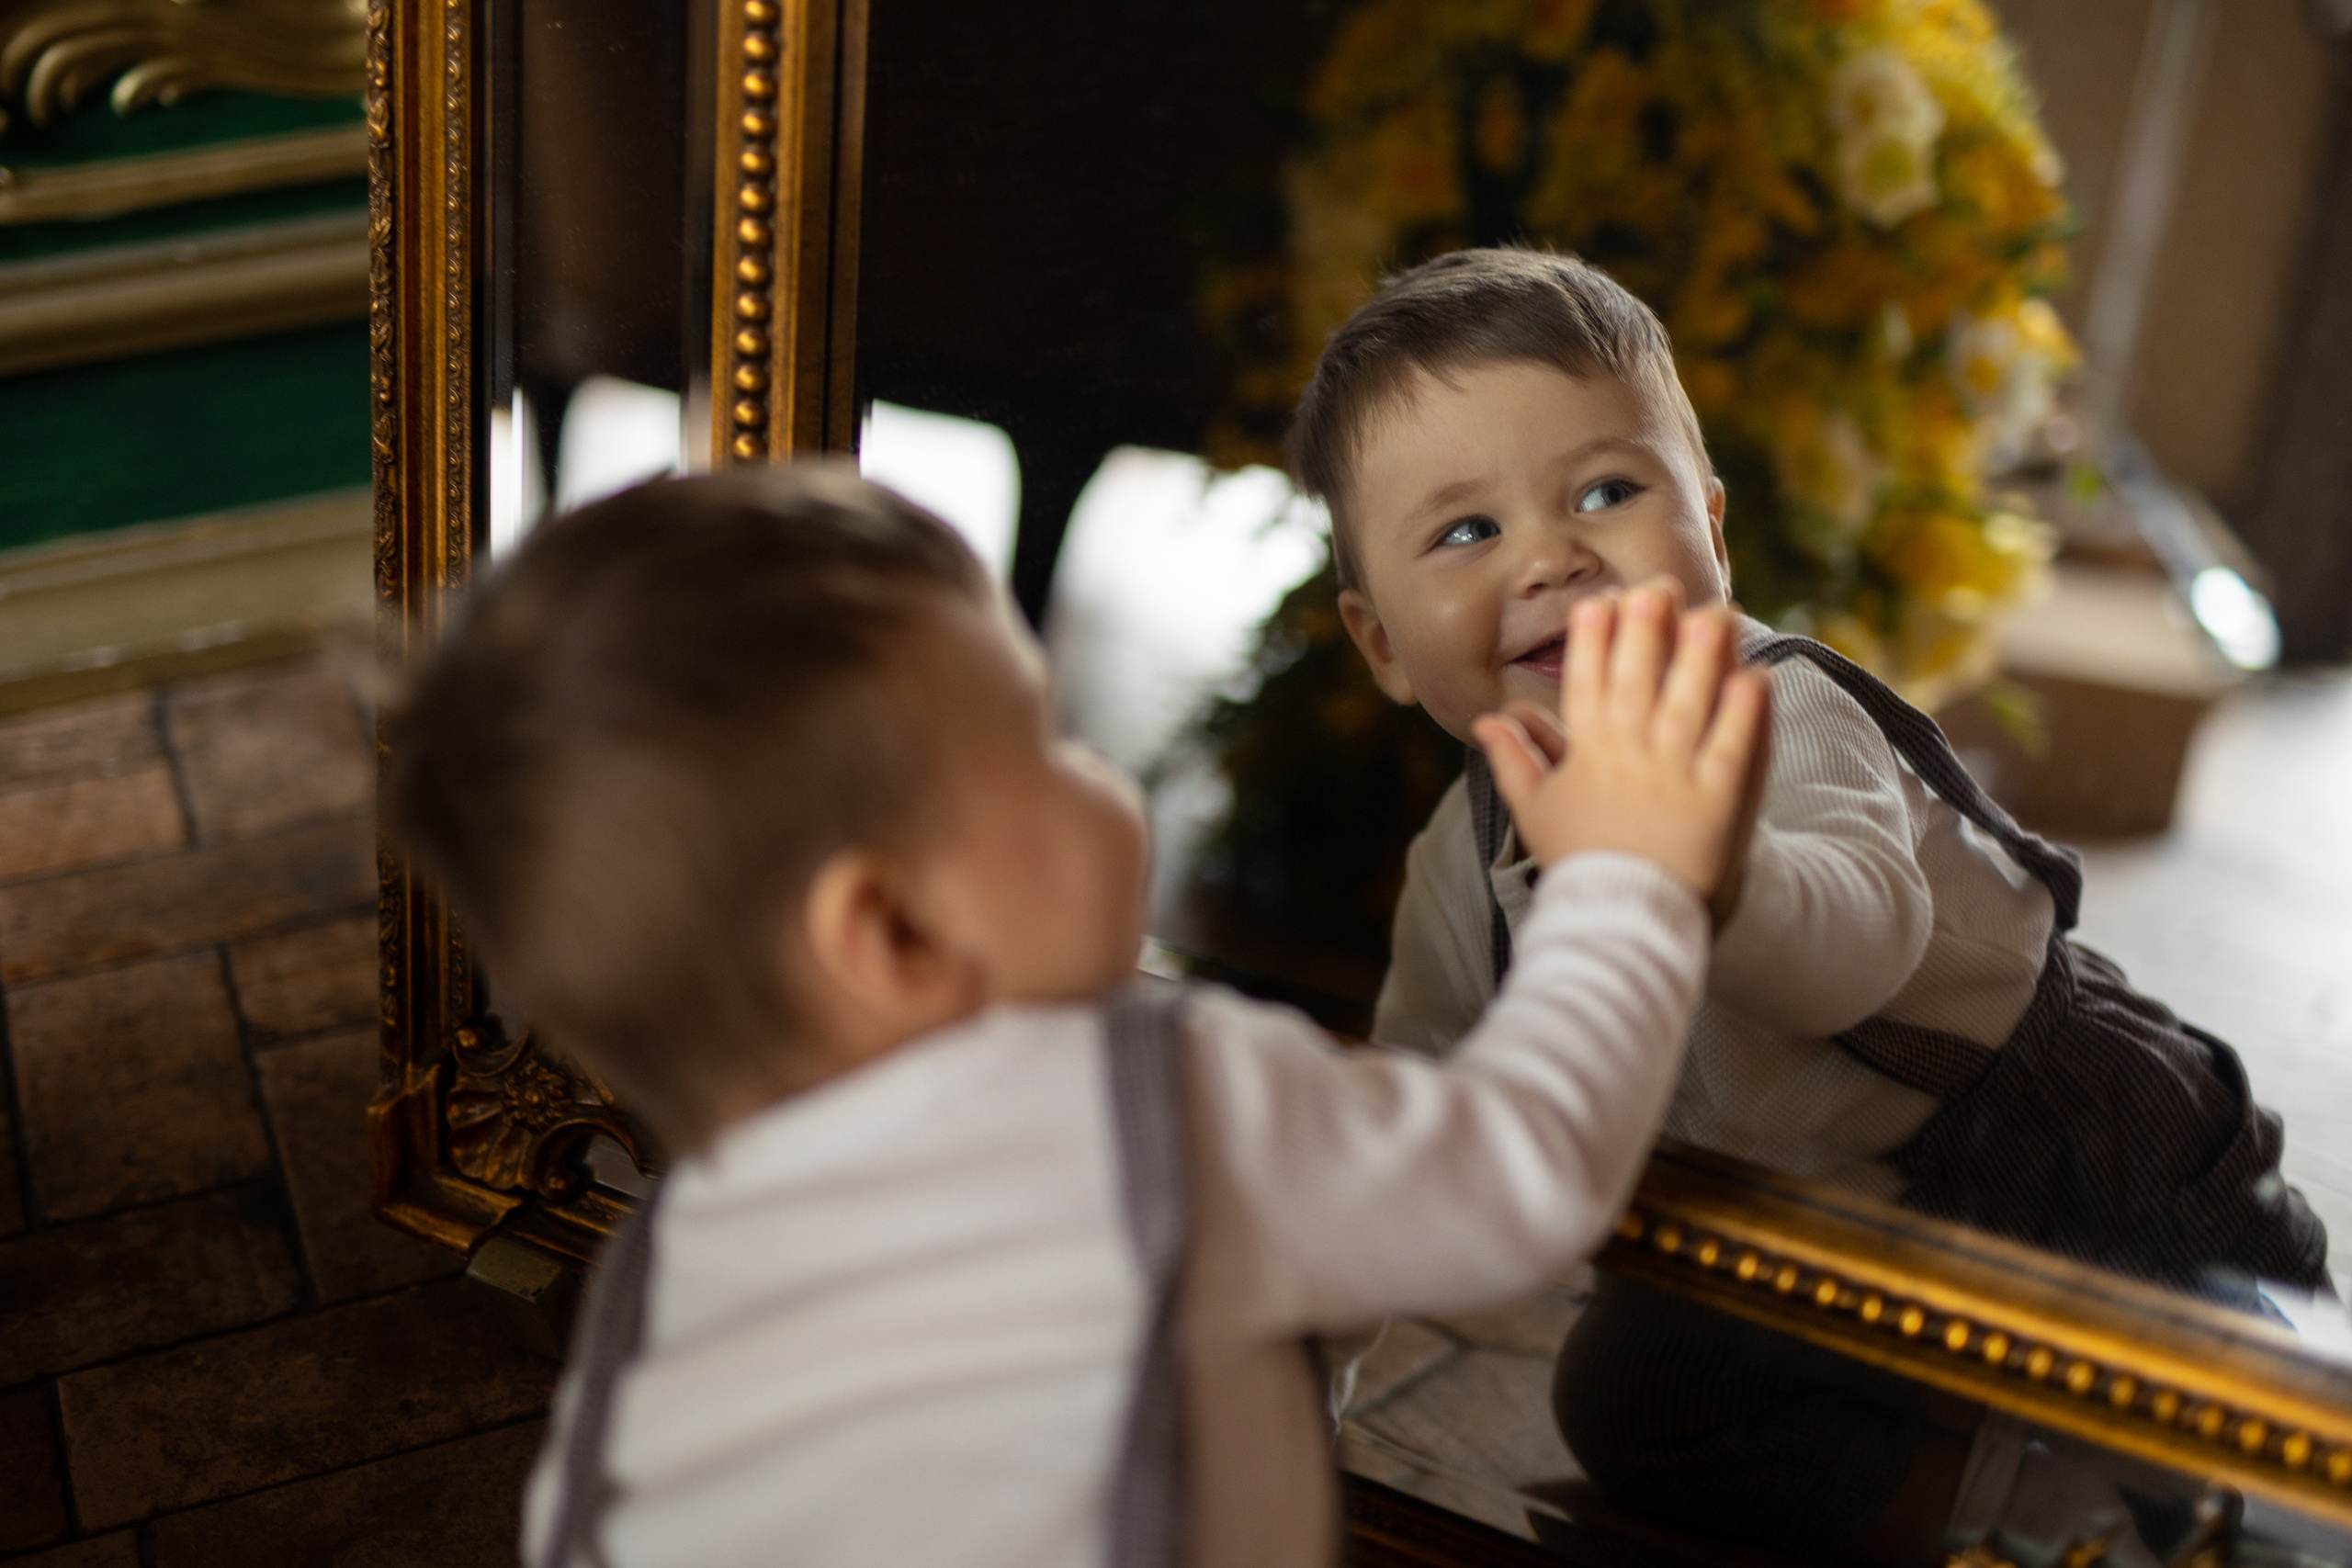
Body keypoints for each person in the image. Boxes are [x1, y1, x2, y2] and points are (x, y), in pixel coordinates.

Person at [381, 464, 1771, 1568]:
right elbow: (1521, 1165)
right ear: (898, 936)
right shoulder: (1157, 1107)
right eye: (1041, 742)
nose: (1096, 762)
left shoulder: (664, 1277)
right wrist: (1625, 878)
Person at [1293, 245, 2329, 1562]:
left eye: (1607, 491)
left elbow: (1857, 942)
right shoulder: (1464, 858)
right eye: (1466, 531)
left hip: (2061, 1152)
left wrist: (1709, 871)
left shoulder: (1780, 711)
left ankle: (2212, 1492)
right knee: (1630, 1402)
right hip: (1803, 1237)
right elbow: (1406, 1131)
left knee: (2268, 1412)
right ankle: (2028, 1505)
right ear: (1380, 640)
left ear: (1712, 535)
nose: (1552, 557)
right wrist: (1301, 1373)